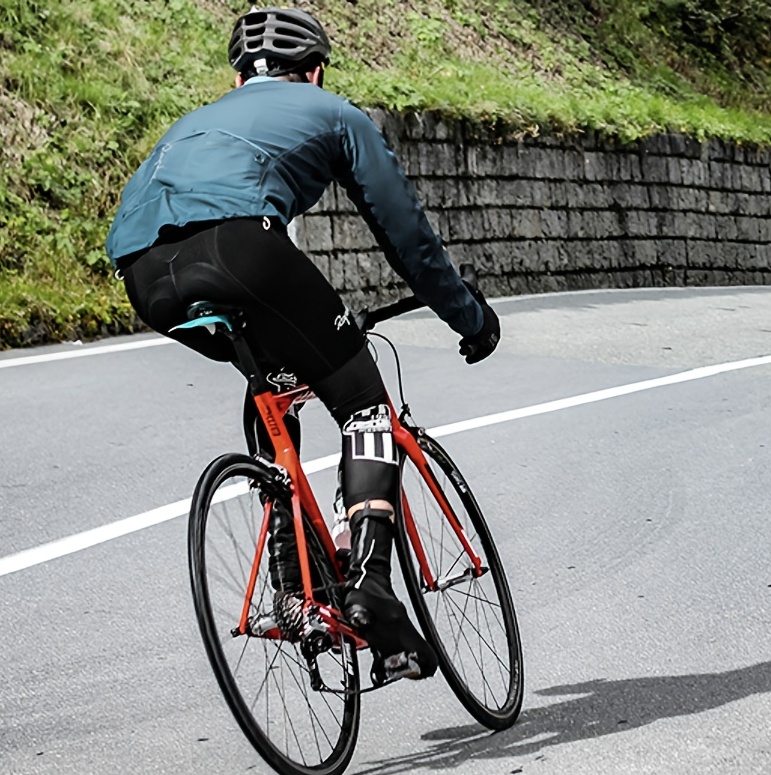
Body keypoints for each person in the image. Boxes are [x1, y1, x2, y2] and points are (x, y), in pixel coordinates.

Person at [105, 6, 500, 681]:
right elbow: (406, 237)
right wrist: (468, 316)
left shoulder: (195, 123)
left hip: (142, 272)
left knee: (273, 389)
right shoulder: (333, 113)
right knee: (362, 400)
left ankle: (295, 591)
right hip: (240, 249)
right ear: (313, 71)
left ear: (238, 77)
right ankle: (372, 586)